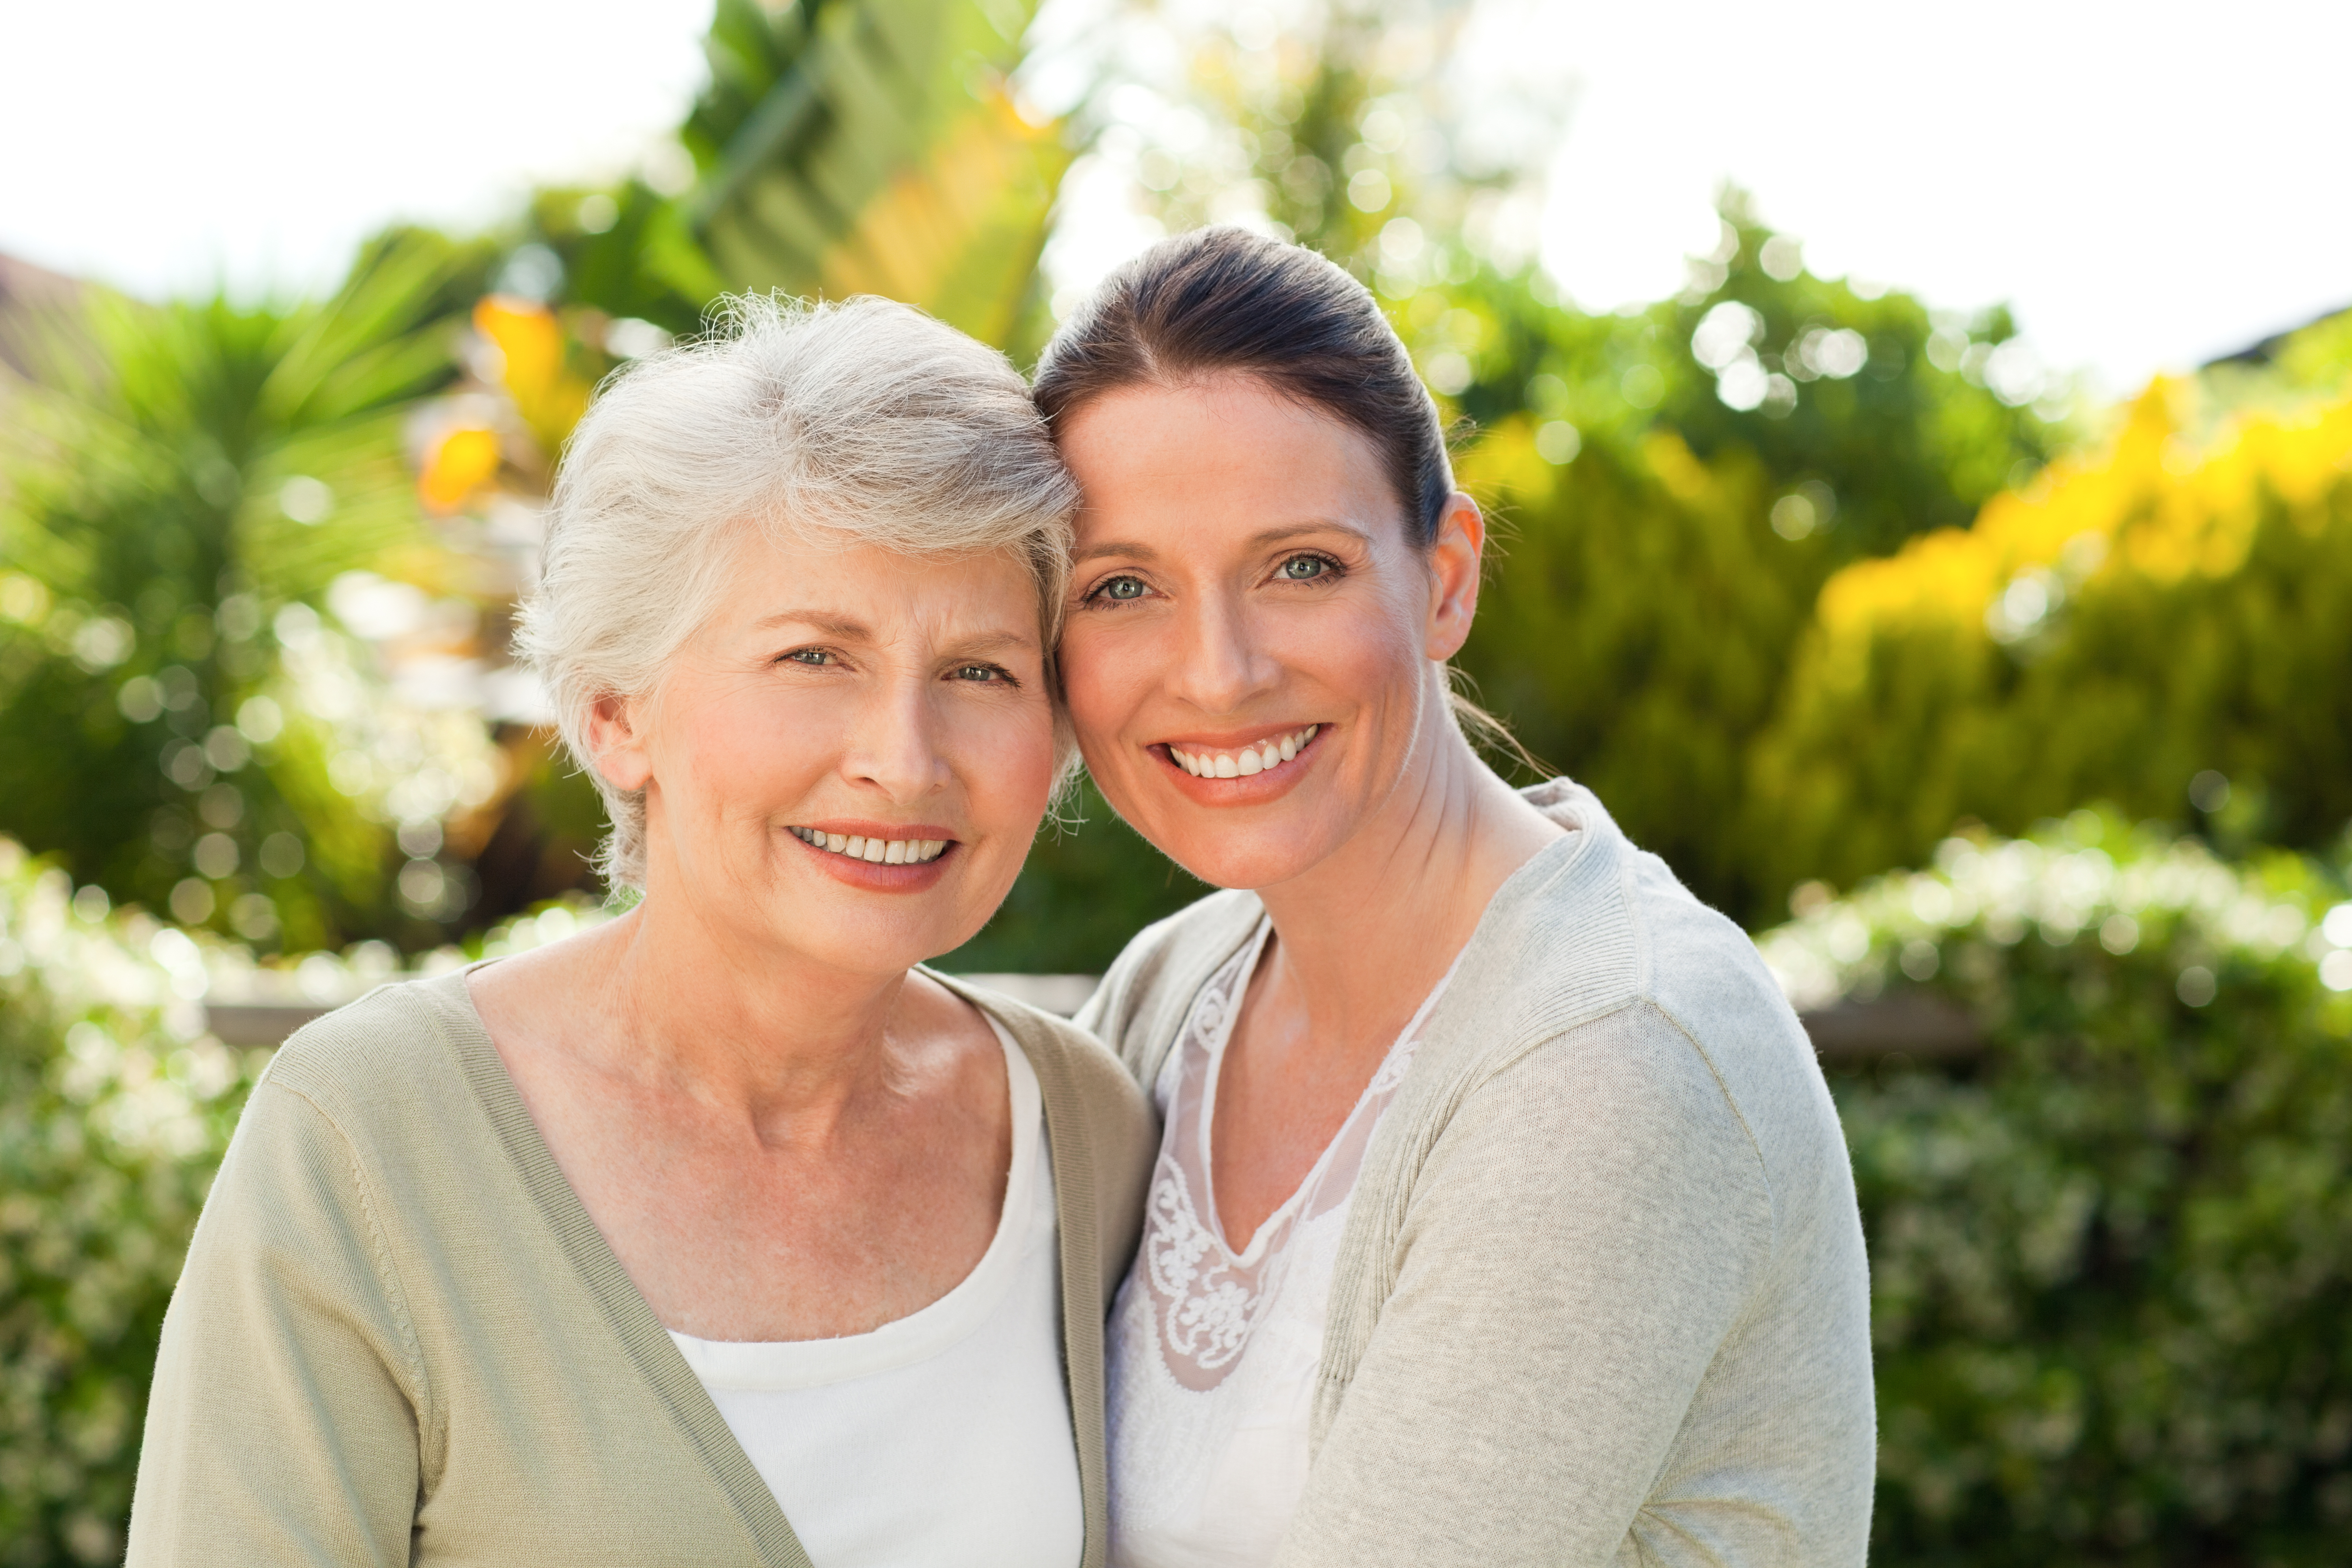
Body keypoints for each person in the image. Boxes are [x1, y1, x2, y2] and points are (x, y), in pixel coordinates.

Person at [127, 297, 1154, 1568]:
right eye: (813, 658)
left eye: (981, 671)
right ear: (617, 712)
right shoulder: (372, 1136)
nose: (904, 759)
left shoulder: (1083, 1127)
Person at [1036, 227, 1876, 1568]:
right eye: (1122, 587)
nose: (1215, 672)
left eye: (1299, 565)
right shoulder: (1171, 989)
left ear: (1443, 579)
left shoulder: (1614, 1052)